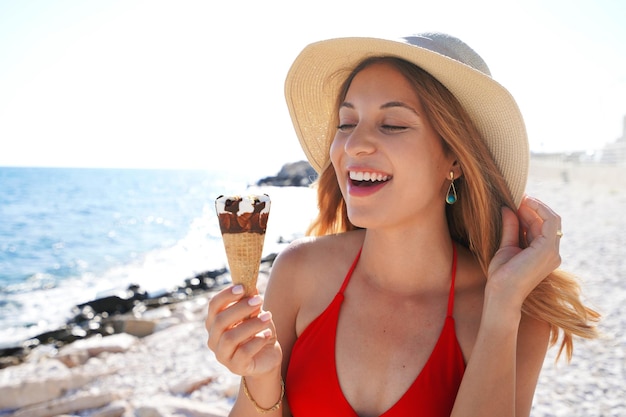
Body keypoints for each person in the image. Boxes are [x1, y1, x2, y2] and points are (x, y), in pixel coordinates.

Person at [206, 32, 600, 417]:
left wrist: (501, 309)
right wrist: (261, 377)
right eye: (346, 123)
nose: (354, 144)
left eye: (392, 124)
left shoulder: (517, 311)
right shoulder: (299, 273)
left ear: (455, 159)